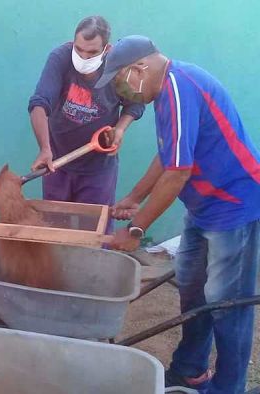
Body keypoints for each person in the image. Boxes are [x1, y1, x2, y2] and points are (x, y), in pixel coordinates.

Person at [97, 35, 260, 394]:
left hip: (233, 206)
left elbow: (177, 173)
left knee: (226, 302)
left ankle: (229, 387)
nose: (122, 92)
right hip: (203, 207)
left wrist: (136, 230)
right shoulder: (165, 93)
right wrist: (134, 196)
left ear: (139, 68)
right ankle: (190, 370)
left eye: (120, 82)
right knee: (192, 288)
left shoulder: (178, 87)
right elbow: (168, 154)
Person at [28, 16, 144, 231]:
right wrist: (45, 148)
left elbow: (135, 105)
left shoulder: (118, 68)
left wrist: (120, 129)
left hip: (98, 168)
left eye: (91, 53)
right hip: (57, 163)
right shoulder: (60, 58)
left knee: (94, 231)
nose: (83, 57)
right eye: (79, 49)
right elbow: (39, 103)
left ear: (106, 49)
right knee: (54, 227)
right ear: (73, 43)